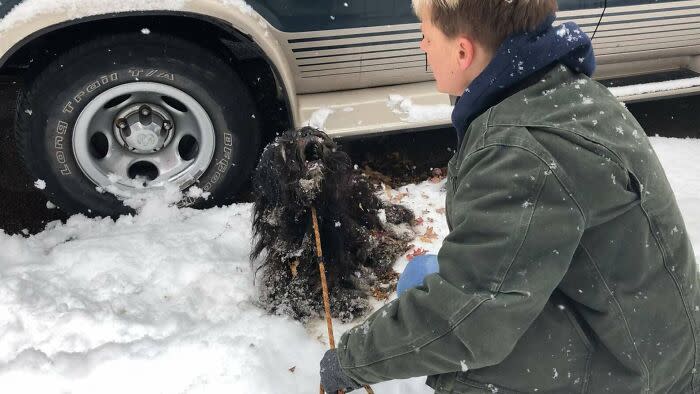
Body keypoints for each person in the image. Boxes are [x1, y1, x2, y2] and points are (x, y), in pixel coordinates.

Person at [319, 0, 700, 393]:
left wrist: (350, 362)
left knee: (463, 359)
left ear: (463, 51)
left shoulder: (520, 152)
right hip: (650, 340)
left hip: (638, 375)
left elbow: (470, 317)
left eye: (426, 36)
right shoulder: (559, 89)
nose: (422, 47)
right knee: (422, 276)